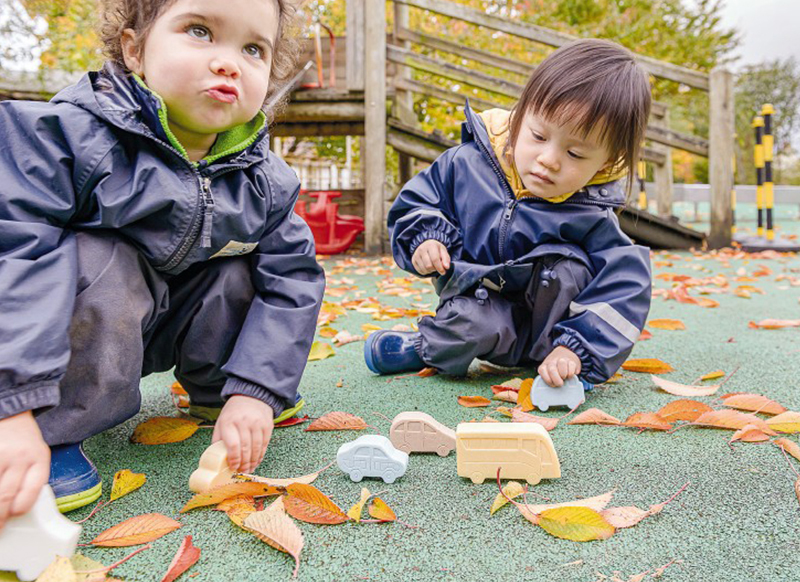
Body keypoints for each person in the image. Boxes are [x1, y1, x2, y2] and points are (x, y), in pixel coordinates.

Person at [0, 0, 325, 530]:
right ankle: (49, 426)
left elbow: (292, 281)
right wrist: (10, 407)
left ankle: (223, 393)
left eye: (253, 49)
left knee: (238, 269)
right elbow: (15, 252)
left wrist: (258, 390)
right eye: (199, 31)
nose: (229, 63)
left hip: (170, 318)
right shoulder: (67, 138)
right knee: (103, 257)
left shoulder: (266, 180)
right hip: (85, 330)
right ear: (134, 50)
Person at [365, 39, 652, 393]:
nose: (548, 158)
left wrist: (577, 347)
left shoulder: (590, 212)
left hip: (556, 329)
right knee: (466, 324)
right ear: (519, 116)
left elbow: (626, 284)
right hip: (483, 304)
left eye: (575, 153)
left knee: (572, 267)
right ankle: (426, 346)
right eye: (538, 135)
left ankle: (563, 357)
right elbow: (420, 201)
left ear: (604, 163)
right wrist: (426, 237)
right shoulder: (466, 164)